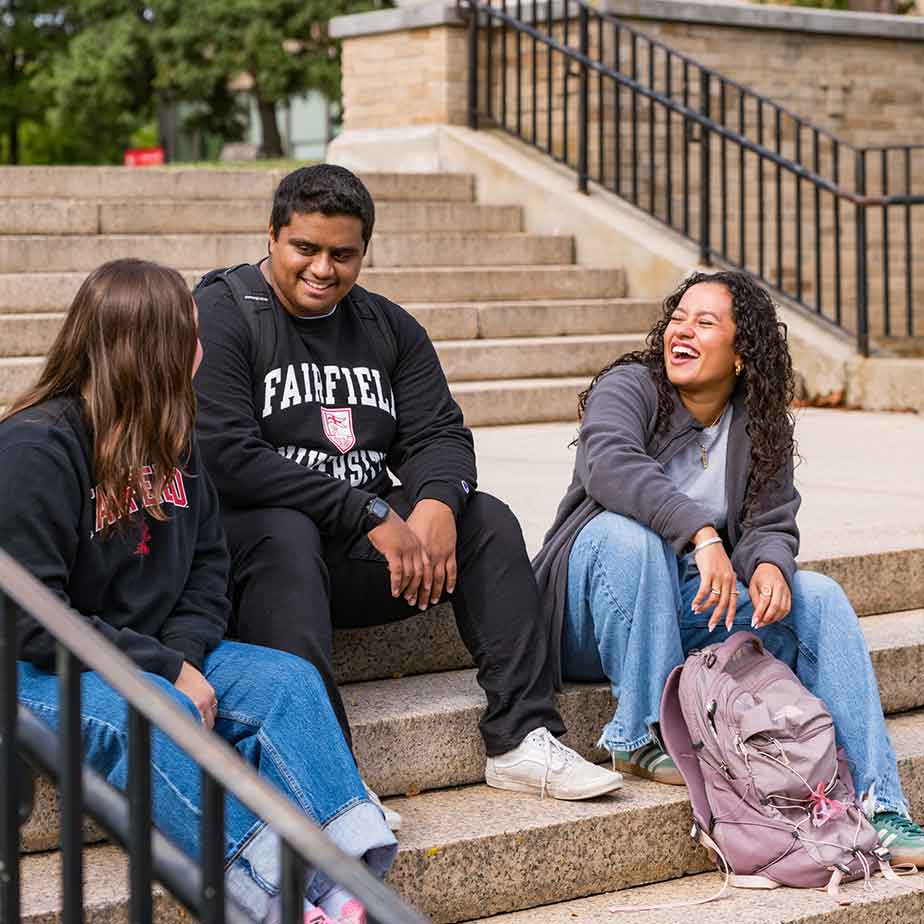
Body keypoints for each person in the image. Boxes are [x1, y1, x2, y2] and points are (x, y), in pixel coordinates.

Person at [192, 164, 622, 823]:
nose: (322, 268)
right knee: (285, 529)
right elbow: (225, 456)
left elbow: (441, 433)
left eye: (343, 253)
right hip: (258, 564)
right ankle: (328, 776)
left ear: (364, 250)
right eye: (305, 248)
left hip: (370, 557)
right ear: (272, 236)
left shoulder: (386, 326)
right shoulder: (223, 312)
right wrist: (363, 508)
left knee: (487, 519)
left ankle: (521, 737)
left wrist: (435, 505)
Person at [1, 259, 397, 924]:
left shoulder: (174, 438)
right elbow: (31, 620)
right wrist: (165, 671)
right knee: (154, 709)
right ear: (150, 349)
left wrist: (183, 656)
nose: (204, 349)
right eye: (191, 334)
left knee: (287, 682)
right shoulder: (34, 448)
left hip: (151, 652)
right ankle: (274, 899)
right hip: (36, 668)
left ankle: (350, 878)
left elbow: (210, 568)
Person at [532, 270, 924, 864]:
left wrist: (769, 562)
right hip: (591, 613)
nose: (681, 331)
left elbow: (771, 518)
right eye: (678, 318)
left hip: (685, 612)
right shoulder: (631, 385)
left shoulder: (756, 424)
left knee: (817, 595)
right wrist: (701, 532)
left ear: (742, 355)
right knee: (629, 536)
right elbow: (608, 465)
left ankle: (880, 806)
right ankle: (639, 733)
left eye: (704, 322)